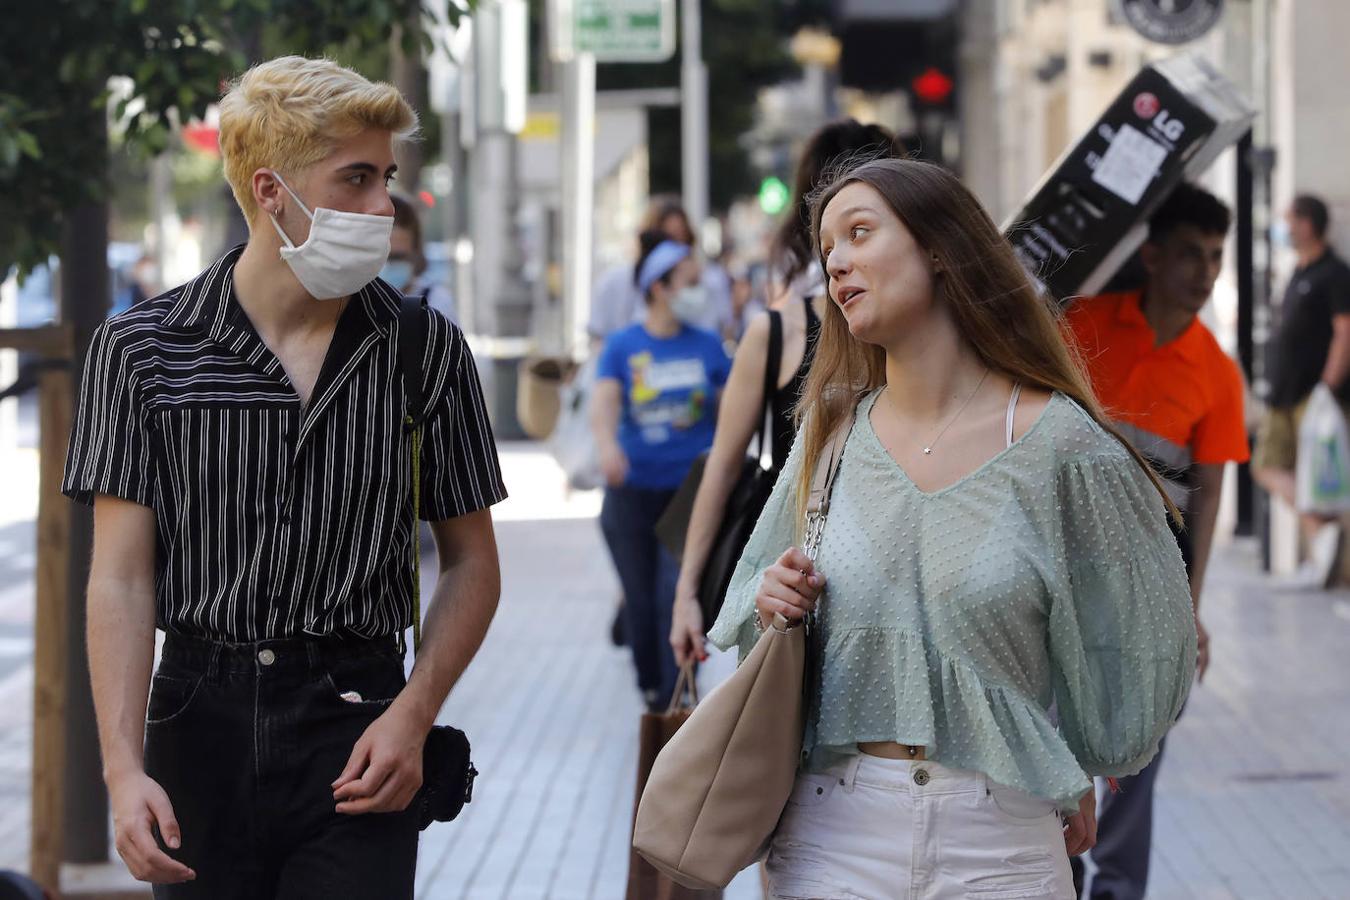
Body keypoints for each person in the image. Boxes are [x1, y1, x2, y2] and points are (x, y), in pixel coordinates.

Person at [63, 56, 507, 896]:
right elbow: (119, 580)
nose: (384, 207)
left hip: (356, 716)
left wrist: (413, 715)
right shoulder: (144, 352)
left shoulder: (421, 349)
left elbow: (473, 562)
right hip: (198, 716)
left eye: (387, 177)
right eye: (357, 178)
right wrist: (123, 771)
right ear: (271, 190)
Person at [708, 158, 1196, 899]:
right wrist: (771, 600)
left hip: (1000, 837)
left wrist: (1073, 758)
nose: (835, 261)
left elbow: (1135, 633)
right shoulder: (829, 438)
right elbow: (745, 612)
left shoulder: (1061, 447)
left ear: (940, 249)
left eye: (860, 232)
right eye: (827, 246)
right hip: (831, 832)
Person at [1062, 183, 1247, 900]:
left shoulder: (1217, 372)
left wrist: (1192, 609)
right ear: (1151, 255)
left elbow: (1208, 499)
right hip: (1067, 582)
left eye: (1215, 258)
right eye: (1191, 255)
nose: (1205, 272)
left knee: (1139, 761)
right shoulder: (1083, 324)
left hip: (1151, 598)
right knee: (1061, 747)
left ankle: (1118, 892)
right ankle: (1060, 878)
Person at [670, 118, 901, 667]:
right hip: (791, 591)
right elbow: (723, 466)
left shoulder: (928, 340)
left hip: (893, 578)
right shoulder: (774, 333)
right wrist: (686, 595)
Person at [592, 235, 731, 709]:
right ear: (658, 287)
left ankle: (680, 694)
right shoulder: (624, 346)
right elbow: (605, 401)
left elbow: (735, 408)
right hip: (630, 493)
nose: (699, 290)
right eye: (689, 282)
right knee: (639, 597)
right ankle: (653, 690)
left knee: (676, 592)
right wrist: (608, 447)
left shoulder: (708, 346)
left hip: (691, 493)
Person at [1253, 193, 1350, 587]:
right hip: (1283, 394)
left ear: (1307, 224)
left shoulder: (1335, 273)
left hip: (1315, 394)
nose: (1283, 227)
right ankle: (1321, 533)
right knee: (1266, 466)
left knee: (1318, 478)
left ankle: (1323, 554)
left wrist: (1328, 386)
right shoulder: (1298, 271)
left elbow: (1345, 333)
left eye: (1288, 219)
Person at [588, 195, 735, 343]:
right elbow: (598, 338)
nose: (674, 249)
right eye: (665, 239)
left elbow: (725, 331)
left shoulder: (710, 279)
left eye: (681, 239)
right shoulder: (615, 282)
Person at [382, 192, 456, 322]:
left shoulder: (437, 304)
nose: (388, 265)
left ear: (416, 253)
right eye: (382, 257)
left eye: (398, 257)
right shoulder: (351, 305)